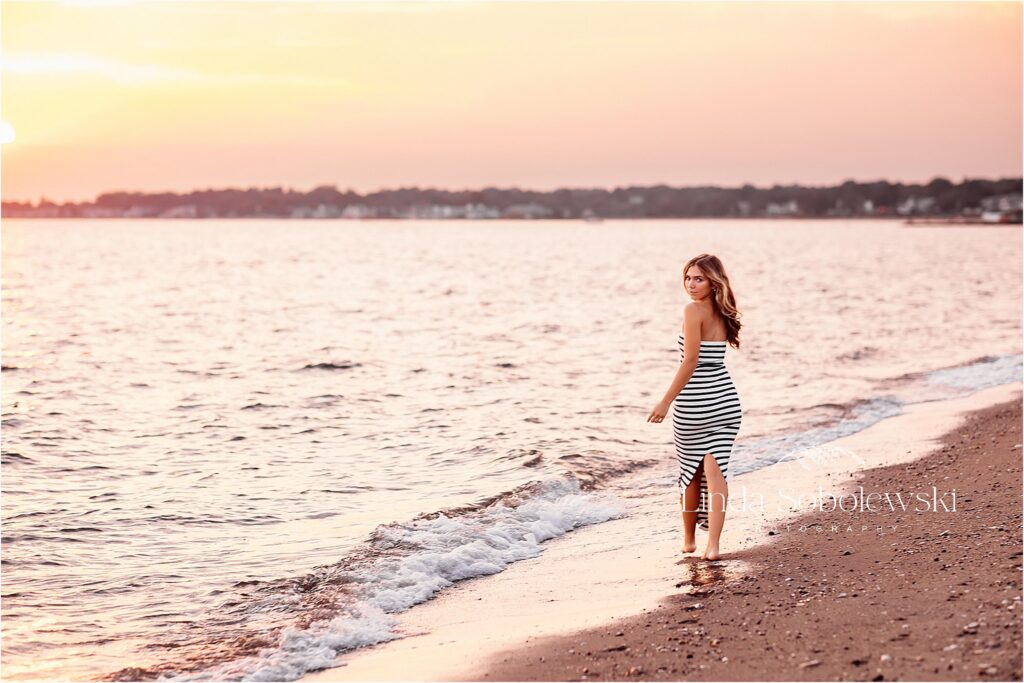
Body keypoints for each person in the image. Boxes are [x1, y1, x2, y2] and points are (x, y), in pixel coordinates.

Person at [647, 254, 743, 561]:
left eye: (698, 278)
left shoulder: (692, 311)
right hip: (726, 401)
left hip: (696, 404)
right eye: (687, 277)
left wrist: (666, 400)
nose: (690, 284)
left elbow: (690, 361)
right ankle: (712, 546)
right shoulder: (724, 311)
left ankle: (689, 540)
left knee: (690, 472)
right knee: (716, 475)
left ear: (713, 281)